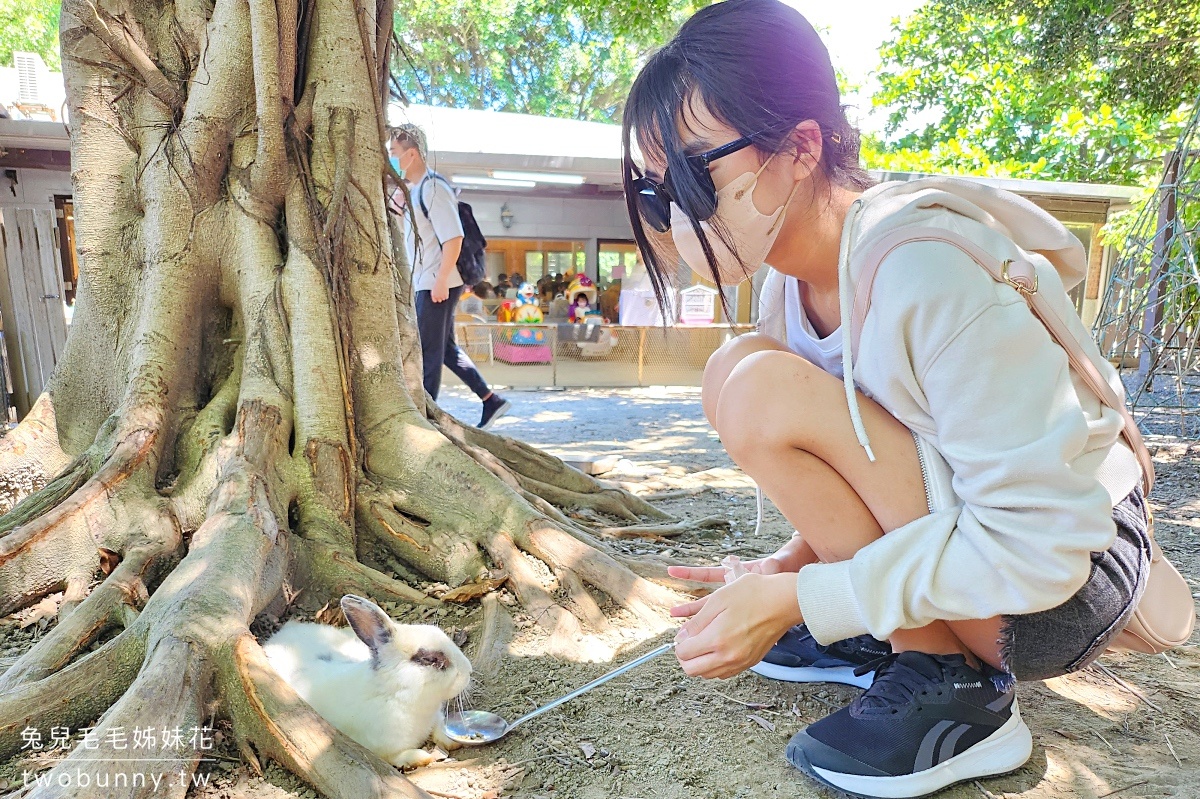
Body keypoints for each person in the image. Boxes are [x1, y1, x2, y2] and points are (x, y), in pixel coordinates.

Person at [620, 2, 1151, 797]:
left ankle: (959, 691)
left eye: (696, 176)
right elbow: (874, 442)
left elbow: (1042, 543)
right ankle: (895, 632)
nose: (674, 213)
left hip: (1069, 579)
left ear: (800, 147)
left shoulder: (919, 270)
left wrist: (804, 597)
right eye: (657, 190)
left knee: (757, 387)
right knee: (737, 371)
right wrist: (788, 563)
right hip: (997, 546)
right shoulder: (787, 286)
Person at [389, 124, 510, 429]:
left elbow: (453, 238)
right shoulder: (415, 190)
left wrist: (442, 279)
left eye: (394, 154)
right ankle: (490, 400)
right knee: (444, 349)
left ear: (411, 154)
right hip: (429, 280)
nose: (390, 159)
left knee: (428, 350)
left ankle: (426, 418)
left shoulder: (432, 188)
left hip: (436, 282)